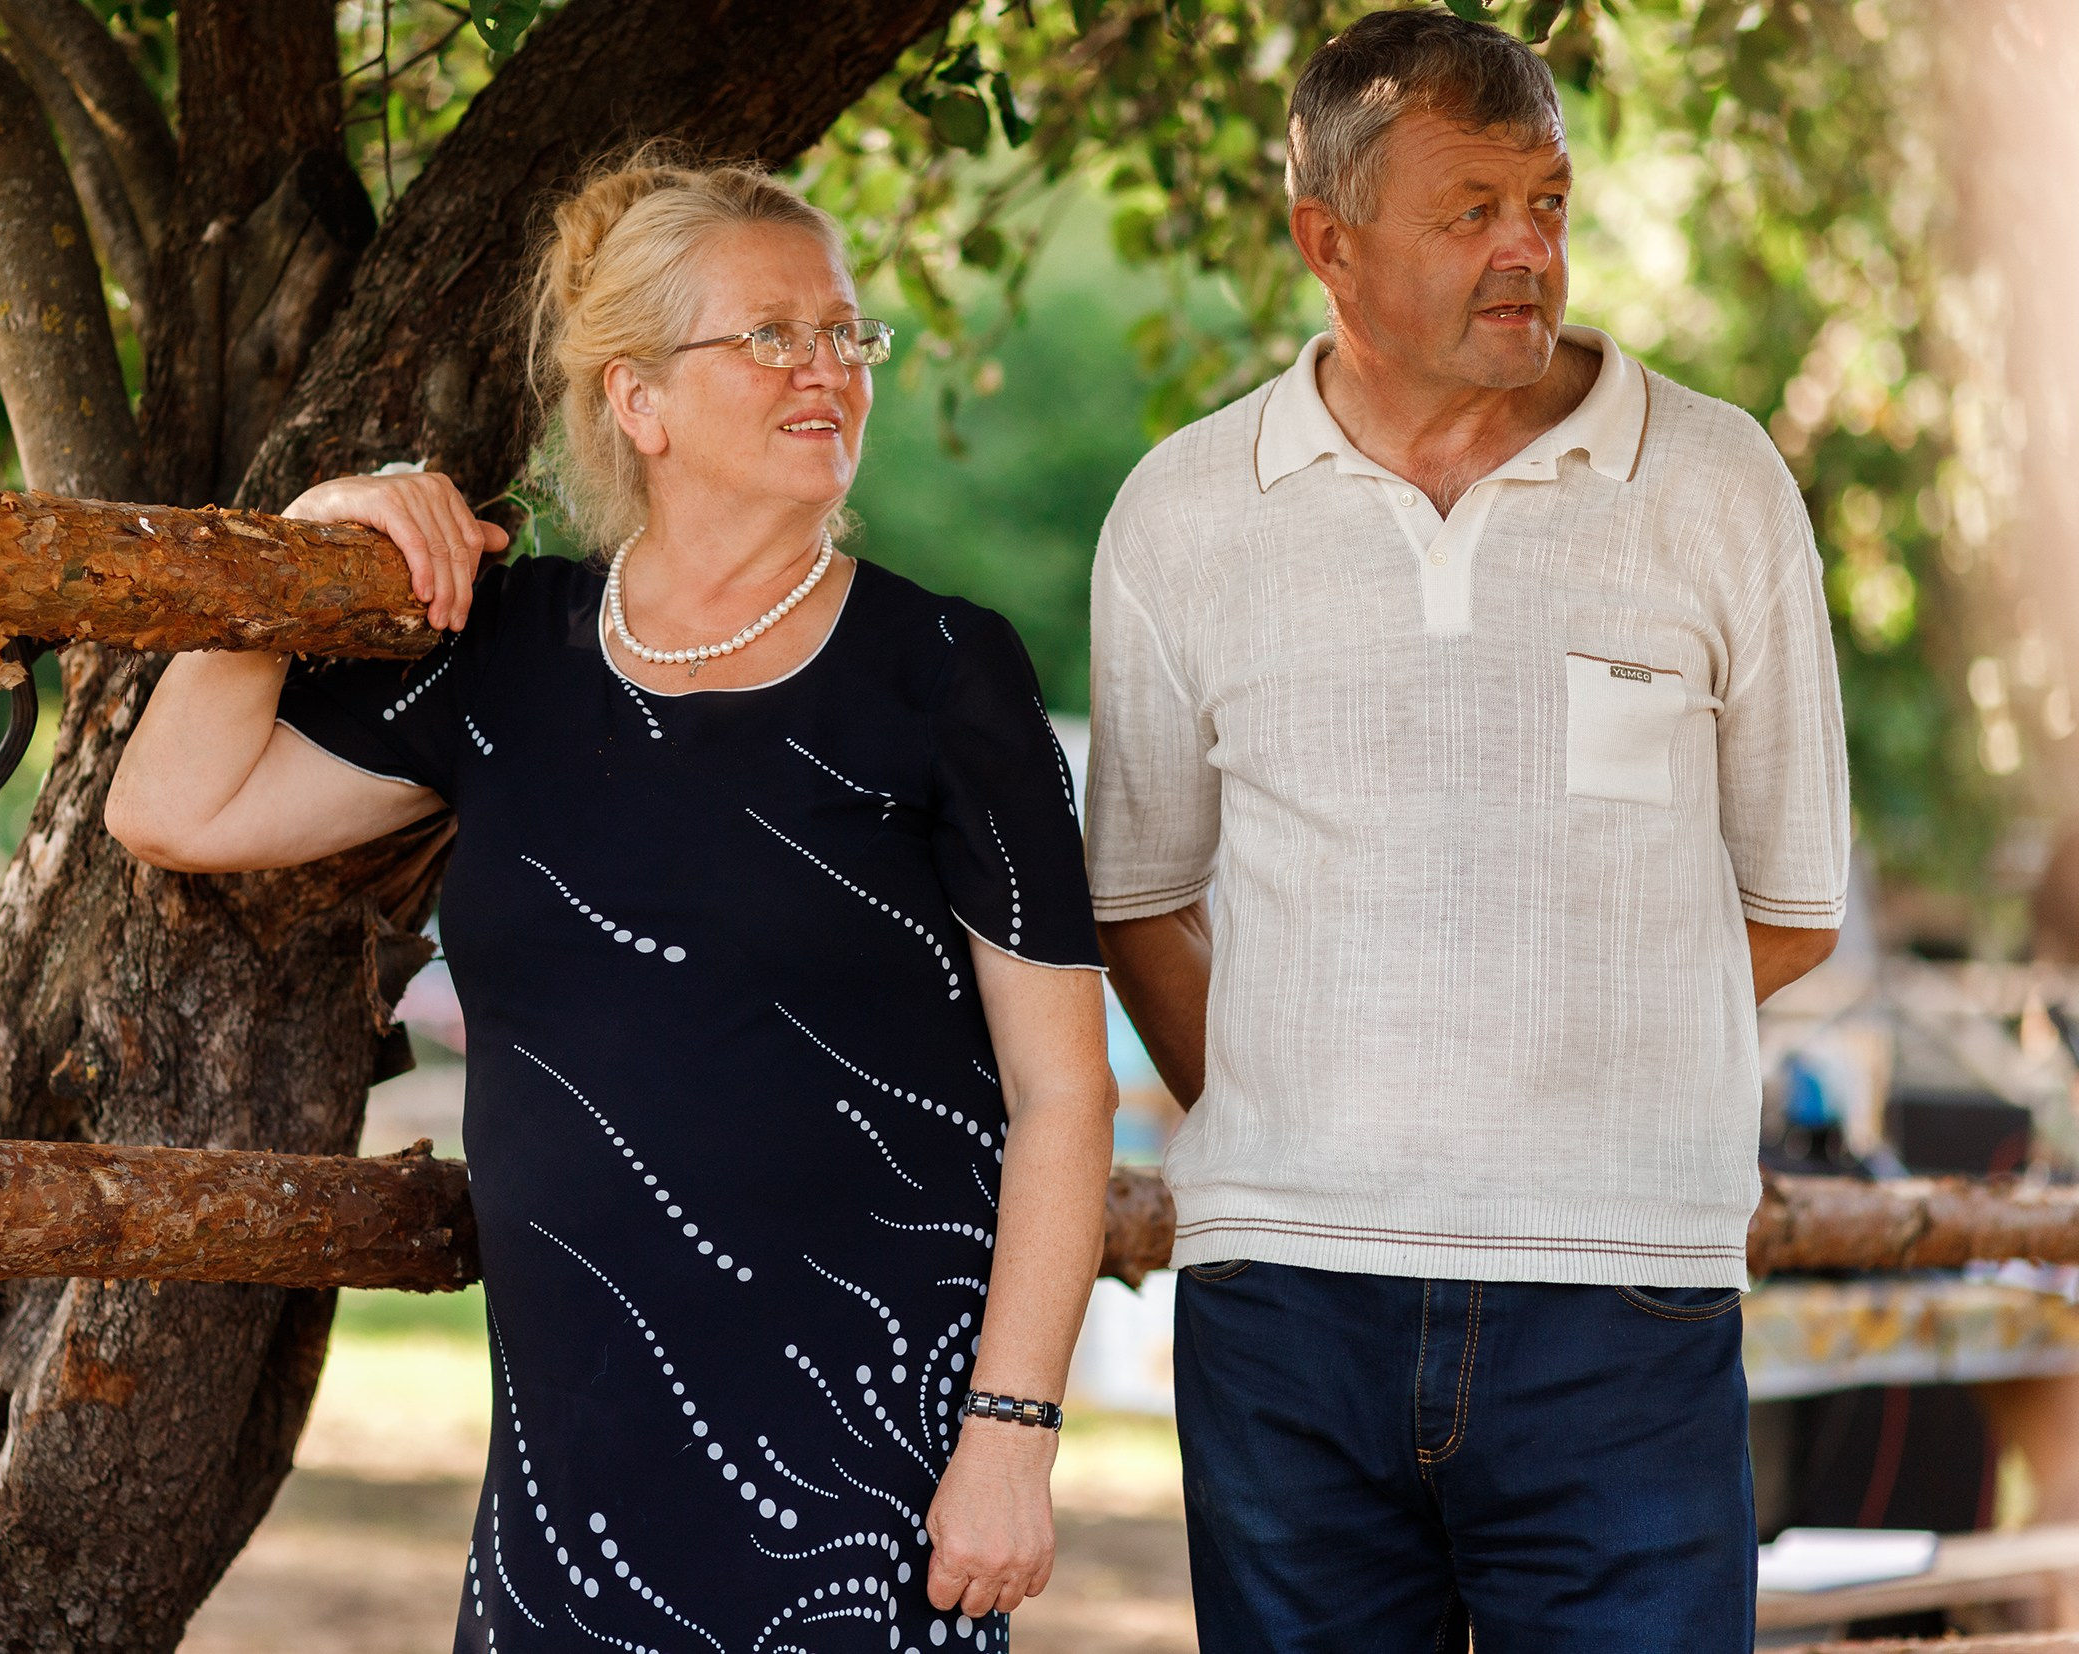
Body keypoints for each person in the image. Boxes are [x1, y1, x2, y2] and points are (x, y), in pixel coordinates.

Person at [104, 149, 1118, 1653]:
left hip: (865, 1478)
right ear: (636, 400)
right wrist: (308, 531)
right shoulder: (506, 654)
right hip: (568, 1491)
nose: (825, 367)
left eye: (845, 332)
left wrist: (1014, 1431)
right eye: (768, 334)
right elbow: (171, 804)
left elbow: (1065, 1089)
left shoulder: (946, 674)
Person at [1086, 12, 1848, 1651]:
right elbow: (1139, 896)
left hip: (1622, 1306)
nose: (1528, 250)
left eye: (1550, 202)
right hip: (1282, 1310)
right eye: (1472, 210)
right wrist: (1316, 1105)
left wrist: (1549, 1095)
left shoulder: (1718, 486)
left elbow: (1792, 903)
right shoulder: (1183, 511)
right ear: (1327, 244)